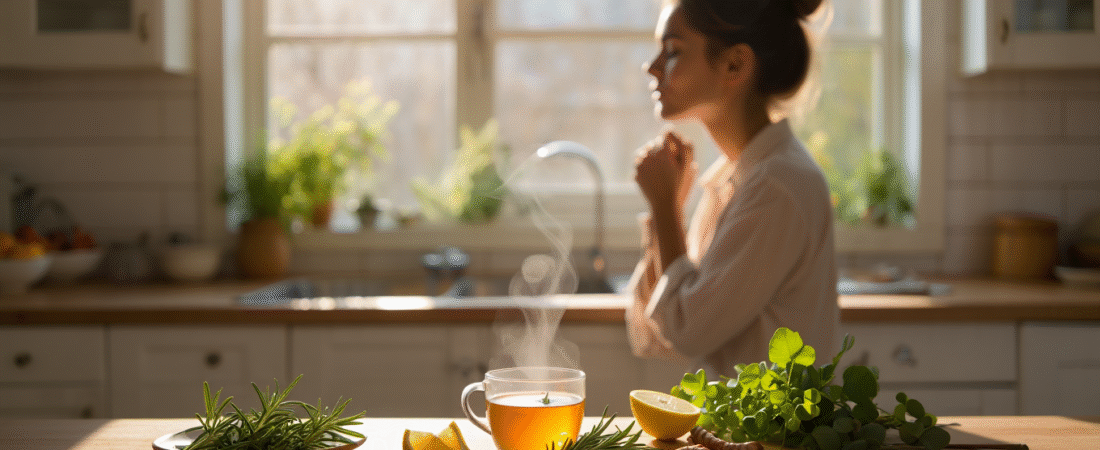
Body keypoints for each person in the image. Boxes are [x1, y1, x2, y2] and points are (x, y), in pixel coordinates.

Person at [625, 0, 839, 378]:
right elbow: (652, 335)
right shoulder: (732, 179)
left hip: (774, 436)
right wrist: (668, 210)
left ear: (734, 65)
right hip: (734, 433)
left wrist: (665, 209)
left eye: (673, 51)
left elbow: (687, 331)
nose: (652, 66)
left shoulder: (778, 187)